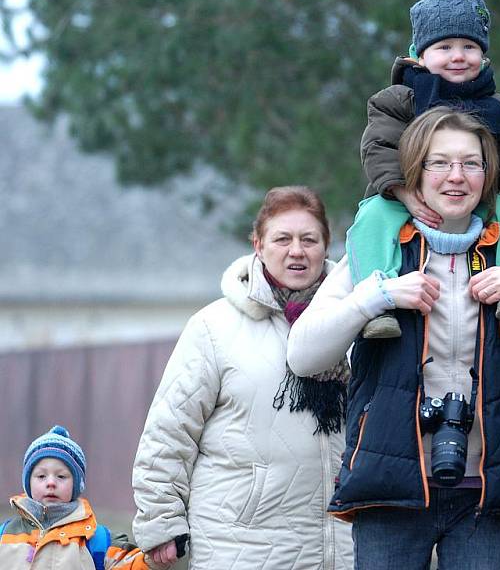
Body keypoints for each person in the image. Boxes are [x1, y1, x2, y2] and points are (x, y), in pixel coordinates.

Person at [287, 108, 500, 569]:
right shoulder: (376, 254)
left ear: (488, 174)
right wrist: (376, 297)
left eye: (471, 163)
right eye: (439, 163)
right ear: (415, 171)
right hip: (390, 485)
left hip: (485, 491)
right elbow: (303, 356)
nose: (457, 177)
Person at [131, 186, 353, 569]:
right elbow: (169, 431)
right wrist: (160, 521)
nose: (296, 251)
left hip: (342, 545)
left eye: (309, 239)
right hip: (241, 544)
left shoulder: (357, 320)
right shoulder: (213, 328)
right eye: (282, 239)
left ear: (326, 246)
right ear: (258, 245)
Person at [349, 0, 500, 339]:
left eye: (469, 46)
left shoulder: (499, 107)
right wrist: (404, 193)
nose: (458, 55)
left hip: (474, 199)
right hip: (401, 197)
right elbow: (378, 146)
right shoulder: (398, 99)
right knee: (371, 218)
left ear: (484, 55)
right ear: (419, 54)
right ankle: (377, 300)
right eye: (444, 47)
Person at [0, 425, 150, 569]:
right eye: (41, 476)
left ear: (77, 485)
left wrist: (155, 557)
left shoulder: (96, 540)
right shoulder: (5, 534)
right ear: (28, 483)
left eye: (61, 476)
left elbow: (134, 565)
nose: (51, 482)